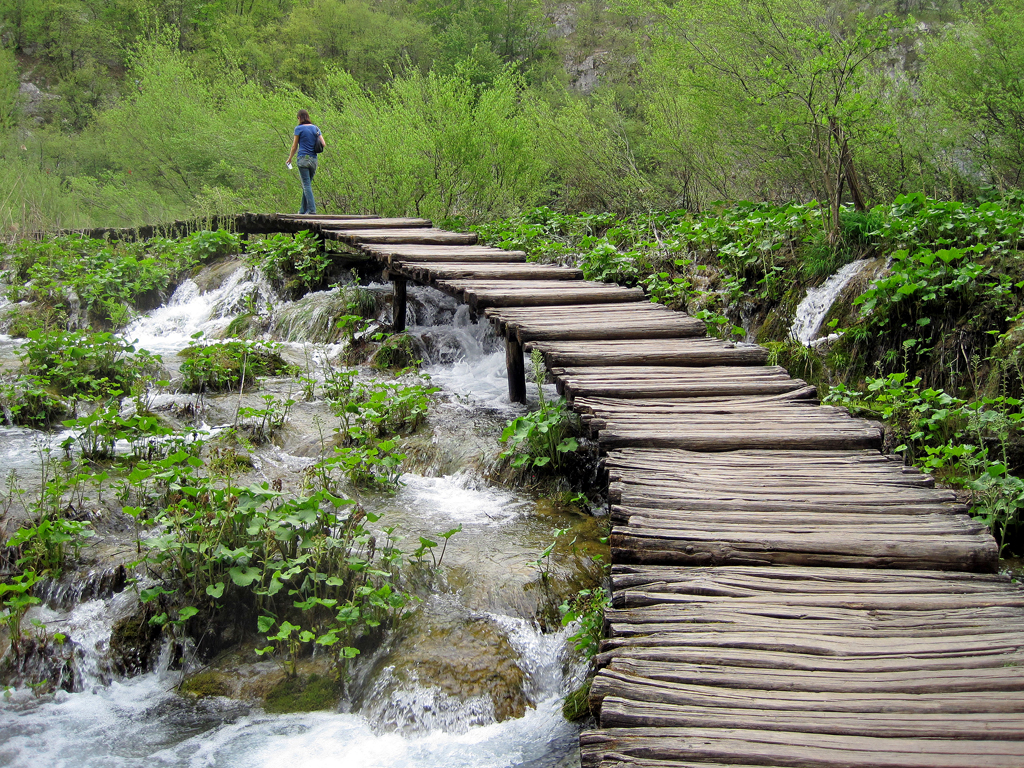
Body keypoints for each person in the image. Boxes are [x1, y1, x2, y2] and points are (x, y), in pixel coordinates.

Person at [286, 109, 325, 215]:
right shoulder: (316, 128)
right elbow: (323, 143)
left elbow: (294, 146)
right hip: (313, 160)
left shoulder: (298, 129)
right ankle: (302, 210)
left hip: (302, 159)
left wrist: (290, 158)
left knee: (306, 185)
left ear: (299, 118)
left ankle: (312, 210)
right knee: (306, 185)